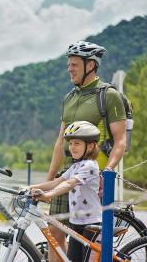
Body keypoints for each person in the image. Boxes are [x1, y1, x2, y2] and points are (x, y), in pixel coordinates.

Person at [46, 40, 127, 261]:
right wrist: (50, 178)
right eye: (68, 65)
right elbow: (59, 142)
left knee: (86, 240)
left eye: (74, 64)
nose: (69, 69)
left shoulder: (108, 95)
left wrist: (107, 172)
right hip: (67, 172)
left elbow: (120, 140)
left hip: (92, 174)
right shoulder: (70, 97)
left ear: (90, 65)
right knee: (54, 231)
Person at [30, 121, 102, 261]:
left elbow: (69, 184)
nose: (72, 147)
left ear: (91, 146)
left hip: (91, 224)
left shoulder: (90, 166)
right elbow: (57, 182)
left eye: (77, 143)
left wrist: (47, 195)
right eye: (70, 143)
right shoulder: (76, 166)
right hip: (76, 222)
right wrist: (29, 188)